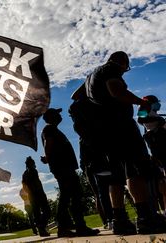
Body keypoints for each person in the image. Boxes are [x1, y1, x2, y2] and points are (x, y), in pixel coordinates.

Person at [84, 51, 166, 234]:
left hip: (105, 131)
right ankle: (146, 217)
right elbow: (116, 90)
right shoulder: (110, 70)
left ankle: (120, 220)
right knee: (135, 170)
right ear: (122, 62)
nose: (124, 72)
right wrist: (140, 102)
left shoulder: (91, 77)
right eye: (126, 68)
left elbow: (77, 96)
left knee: (116, 175)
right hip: (122, 128)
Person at [41, 108, 100, 237]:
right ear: (51, 116)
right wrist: (47, 157)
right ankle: (69, 227)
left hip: (65, 168)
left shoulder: (53, 129)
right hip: (63, 168)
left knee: (72, 196)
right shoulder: (49, 129)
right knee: (69, 196)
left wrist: (48, 158)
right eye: (57, 113)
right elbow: (48, 144)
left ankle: (76, 226)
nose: (60, 115)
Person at [69, 84, 114, 230]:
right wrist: (88, 83)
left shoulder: (84, 125)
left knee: (105, 191)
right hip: (95, 161)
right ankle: (109, 219)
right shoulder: (84, 126)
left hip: (95, 160)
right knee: (102, 192)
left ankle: (111, 218)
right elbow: (74, 97)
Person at [137, 95, 166, 216]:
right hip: (159, 145)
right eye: (156, 102)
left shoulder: (153, 112)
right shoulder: (145, 107)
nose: (158, 104)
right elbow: (140, 119)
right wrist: (160, 121)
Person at [22, 156, 51, 236]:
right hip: (39, 194)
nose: (35, 165)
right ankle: (42, 227)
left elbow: (24, 186)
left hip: (32, 196)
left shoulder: (24, 174)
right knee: (47, 211)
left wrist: (29, 193)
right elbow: (37, 184)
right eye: (34, 163)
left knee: (37, 213)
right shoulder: (33, 171)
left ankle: (41, 230)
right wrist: (39, 192)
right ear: (31, 164)